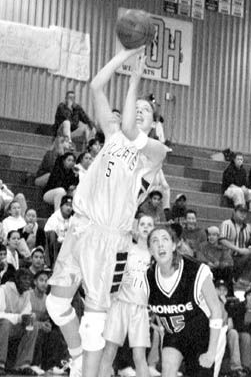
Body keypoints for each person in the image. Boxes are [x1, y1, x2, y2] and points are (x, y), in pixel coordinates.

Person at [46, 47, 168, 377]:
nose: (139, 110)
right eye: (136, 107)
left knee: (94, 320)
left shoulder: (153, 153)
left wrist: (136, 78)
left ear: (154, 122)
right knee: (56, 305)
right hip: (81, 228)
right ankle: (75, 358)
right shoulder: (113, 135)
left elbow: (130, 125)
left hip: (109, 239)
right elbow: (97, 85)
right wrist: (123, 56)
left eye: (145, 109)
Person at [147, 225, 222, 377]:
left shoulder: (196, 270)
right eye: (155, 241)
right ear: (150, 249)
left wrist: (211, 352)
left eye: (165, 239)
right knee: (167, 372)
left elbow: (216, 311)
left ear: (174, 245)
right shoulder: (147, 278)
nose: (160, 244)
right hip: (174, 335)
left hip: (202, 336)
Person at [99, 215, 155, 377]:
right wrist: (118, 280)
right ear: (136, 229)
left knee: (139, 356)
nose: (145, 227)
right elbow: (109, 274)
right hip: (120, 304)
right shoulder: (127, 249)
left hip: (141, 309)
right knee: (109, 351)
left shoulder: (156, 256)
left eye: (149, 224)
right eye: (142, 224)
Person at [0, 268, 39, 376]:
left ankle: (23, 365)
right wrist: (19, 318)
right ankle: (1, 364)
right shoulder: (3, 290)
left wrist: (28, 318)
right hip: (2, 327)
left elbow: (26, 313)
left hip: (13, 329)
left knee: (33, 325)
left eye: (29, 279)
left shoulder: (27, 294)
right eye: (24, 279)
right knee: (5, 323)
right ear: (16, 280)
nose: (27, 282)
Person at [219, 205, 251, 286]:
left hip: (241, 257)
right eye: (240, 212)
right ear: (234, 212)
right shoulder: (226, 224)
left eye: (245, 212)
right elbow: (222, 240)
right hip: (228, 257)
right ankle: (230, 281)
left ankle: (243, 280)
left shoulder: (248, 227)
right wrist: (238, 249)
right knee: (226, 256)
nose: (243, 214)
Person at [198, 226, 234, 296]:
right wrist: (207, 262)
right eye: (209, 235)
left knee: (228, 270)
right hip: (206, 269)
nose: (211, 237)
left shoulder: (223, 248)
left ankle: (230, 295)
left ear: (218, 236)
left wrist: (219, 264)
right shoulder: (202, 246)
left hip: (218, 270)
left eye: (214, 235)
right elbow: (199, 257)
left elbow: (229, 262)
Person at [44, 196, 73, 268]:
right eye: (66, 205)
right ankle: (53, 264)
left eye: (71, 206)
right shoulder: (54, 218)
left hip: (68, 245)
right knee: (52, 235)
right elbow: (48, 233)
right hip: (56, 245)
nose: (69, 208)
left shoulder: (73, 220)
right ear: (61, 206)